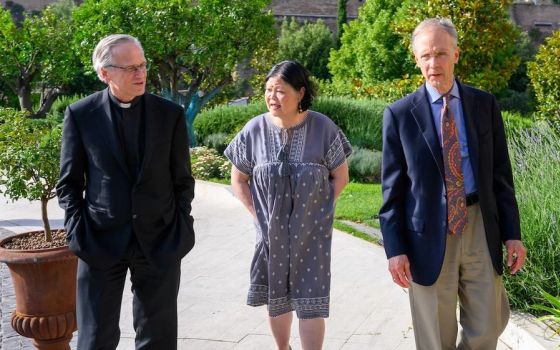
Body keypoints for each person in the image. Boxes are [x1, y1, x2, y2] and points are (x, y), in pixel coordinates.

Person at [379, 18, 527, 350]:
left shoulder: (483, 104)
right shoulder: (400, 114)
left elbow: (501, 175)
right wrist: (395, 249)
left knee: (489, 324)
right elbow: (392, 191)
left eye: (441, 54)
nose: (434, 64)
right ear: (416, 59)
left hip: (478, 225)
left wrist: (512, 234)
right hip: (427, 233)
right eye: (426, 55)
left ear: (456, 55)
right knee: (434, 334)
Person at [56, 34, 195, 350]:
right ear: (105, 73)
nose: (141, 73)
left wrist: (179, 225)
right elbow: (69, 183)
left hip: (159, 242)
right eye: (130, 67)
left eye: (142, 65)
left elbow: (183, 181)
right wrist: (78, 232)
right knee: (94, 339)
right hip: (99, 241)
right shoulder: (80, 115)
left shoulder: (169, 115)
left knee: (157, 340)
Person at [224, 60, 351, 350]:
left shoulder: (323, 128)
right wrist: (258, 217)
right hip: (270, 232)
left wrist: (319, 212)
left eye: (280, 91)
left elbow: (341, 176)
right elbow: (239, 180)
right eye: (268, 90)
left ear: (300, 92)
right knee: (276, 295)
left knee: (311, 298)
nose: (272, 97)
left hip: (313, 232)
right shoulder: (253, 129)